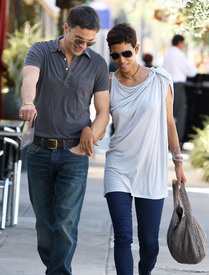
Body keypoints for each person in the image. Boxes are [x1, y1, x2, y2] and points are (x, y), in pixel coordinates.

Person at [19, 5, 109, 275]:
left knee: (66, 222)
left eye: (90, 41)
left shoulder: (97, 64)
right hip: (39, 150)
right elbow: (29, 78)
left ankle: (58, 273)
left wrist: (92, 131)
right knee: (45, 224)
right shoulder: (40, 50)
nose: (83, 45)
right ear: (66, 28)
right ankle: (56, 269)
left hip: (74, 153)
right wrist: (27, 102)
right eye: (79, 39)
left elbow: (104, 112)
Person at [104, 23, 187, 275]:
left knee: (150, 244)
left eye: (126, 53)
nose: (121, 60)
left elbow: (170, 123)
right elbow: (99, 121)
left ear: (136, 48)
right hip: (117, 167)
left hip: (151, 170)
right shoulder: (108, 84)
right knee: (122, 237)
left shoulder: (160, 79)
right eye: (115, 55)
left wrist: (178, 162)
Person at [163, 34, 197, 148]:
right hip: (178, 85)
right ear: (180, 42)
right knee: (180, 115)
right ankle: (177, 142)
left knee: (168, 115)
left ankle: (167, 141)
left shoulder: (167, 54)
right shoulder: (179, 55)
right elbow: (191, 72)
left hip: (166, 86)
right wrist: (196, 67)